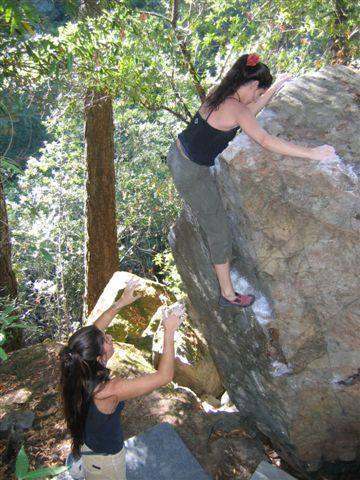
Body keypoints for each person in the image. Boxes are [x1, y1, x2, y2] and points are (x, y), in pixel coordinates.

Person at [167, 53, 335, 308]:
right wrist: (312, 153)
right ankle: (227, 294)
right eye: (258, 93)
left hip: (178, 152)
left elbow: (244, 114)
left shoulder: (220, 94)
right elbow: (265, 139)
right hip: (192, 171)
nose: (257, 98)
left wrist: (275, 88)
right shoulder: (235, 107)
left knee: (215, 216)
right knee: (218, 230)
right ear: (252, 85)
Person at [59, 279, 183, 480]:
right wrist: (169, 331)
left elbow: (95, 330)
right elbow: (164, 376)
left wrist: (121, 302)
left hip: (88, 442)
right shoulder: (109, 390)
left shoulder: (75, 361)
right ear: (100, 358)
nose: (110, 338)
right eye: (107, 340)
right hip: (106, 461)